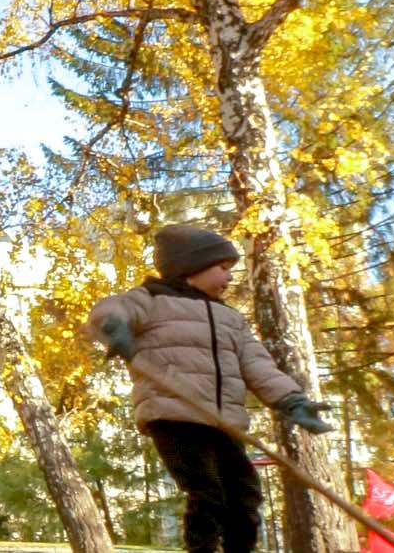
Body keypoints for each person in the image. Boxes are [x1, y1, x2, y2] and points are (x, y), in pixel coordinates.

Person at [88, 225, 337, 553]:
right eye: (223, 267)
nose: (229, 277)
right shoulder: (151, 299)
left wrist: (291, 400)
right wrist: (114, 326)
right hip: (175, 416)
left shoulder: (230, 319)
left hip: (225, 424)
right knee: (207, 492)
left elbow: (258, 365)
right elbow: (110, 309)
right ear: (193, 266)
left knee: (245, 497)